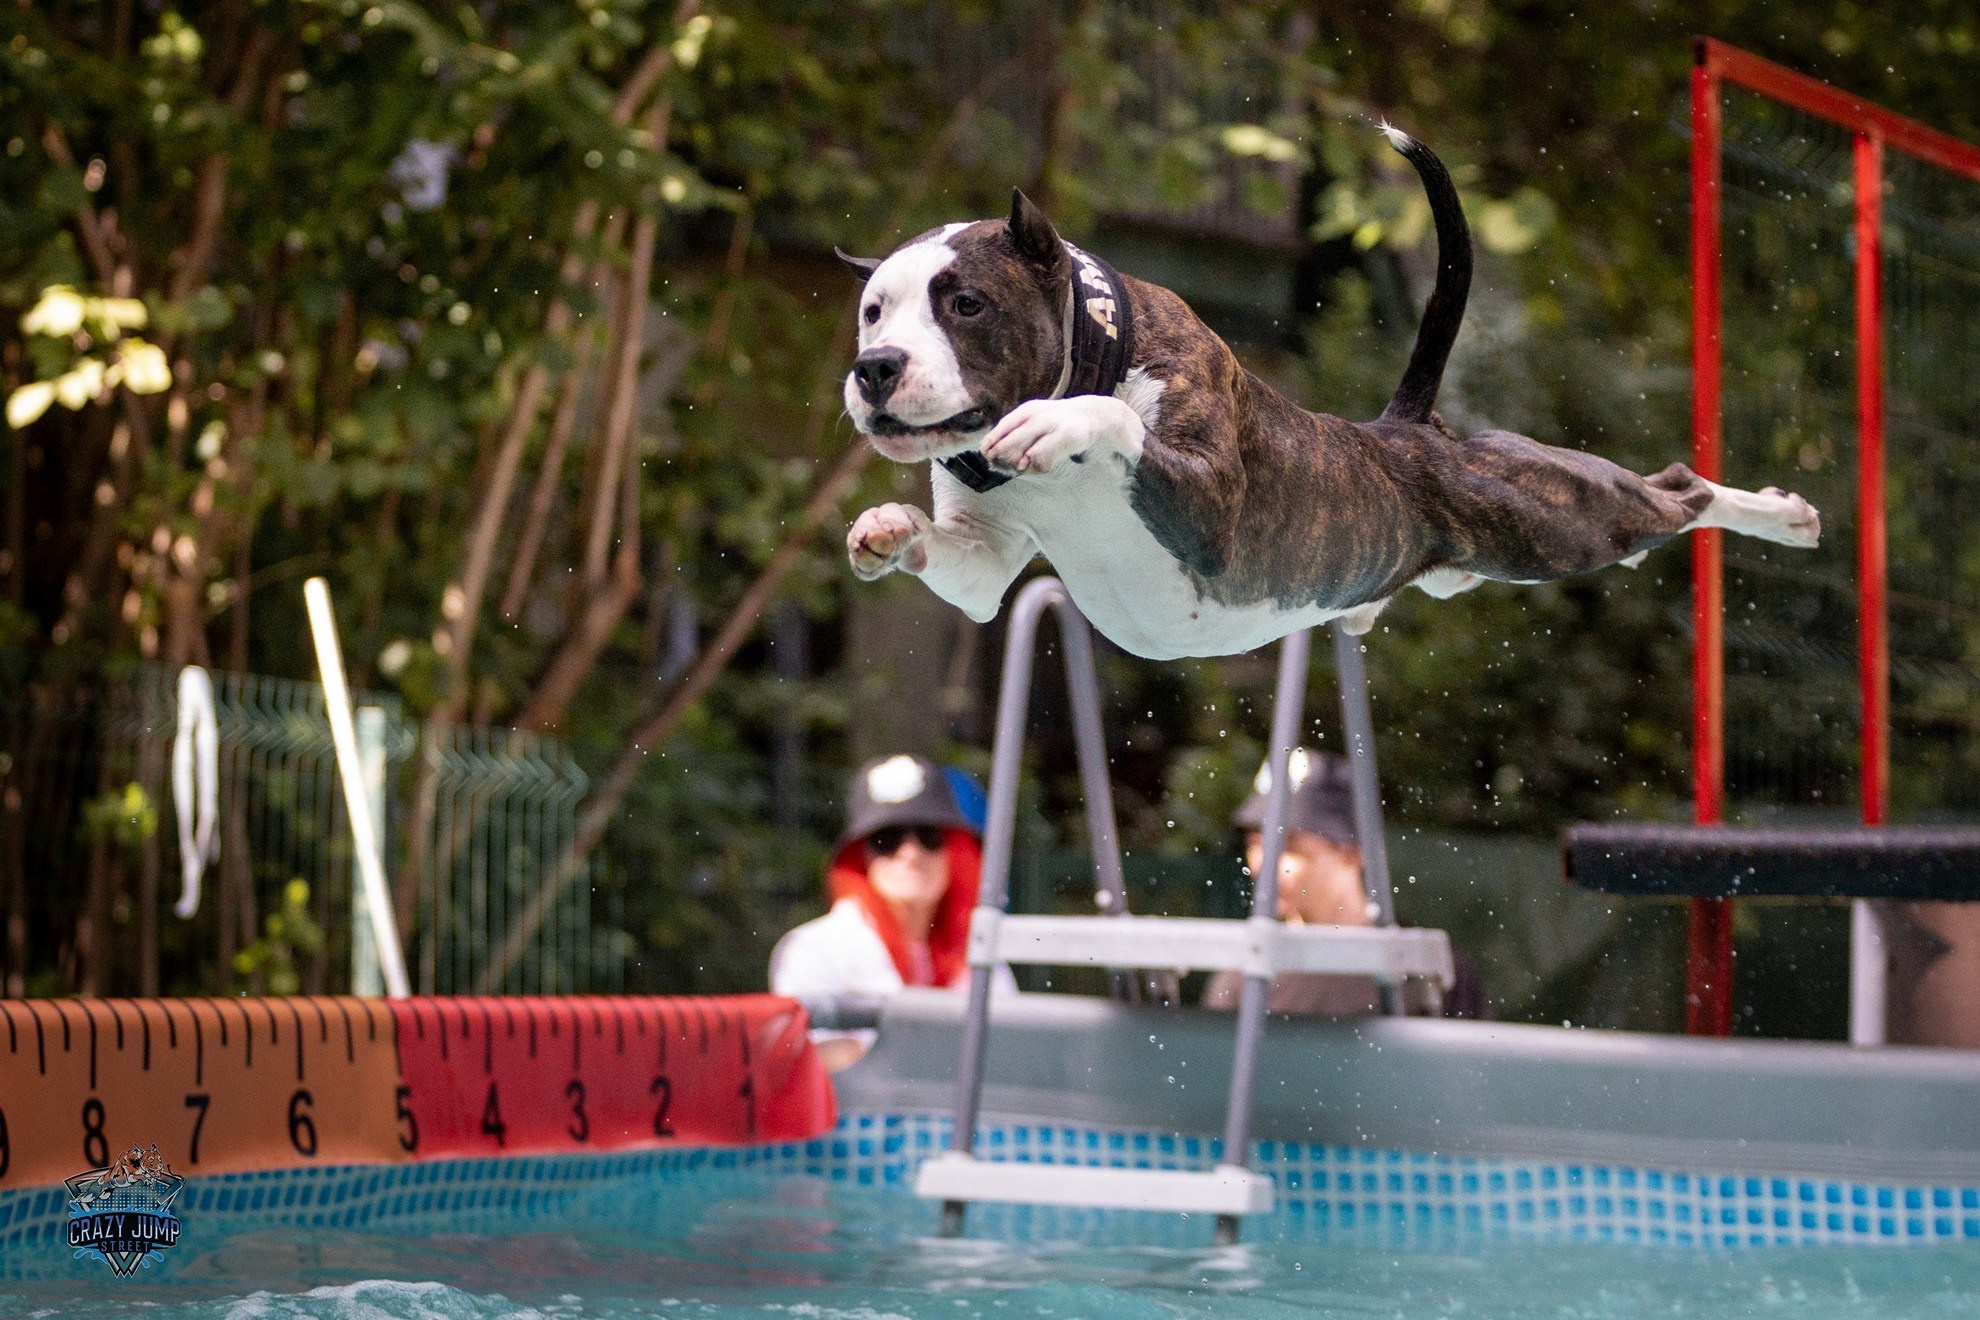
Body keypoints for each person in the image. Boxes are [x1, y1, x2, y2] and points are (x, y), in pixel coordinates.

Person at [1202, 747, 1486, 1019]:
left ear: (1352, 852)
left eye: (1287, 845)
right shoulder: (1243, 979)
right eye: (1255, 843)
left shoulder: (1426, 970)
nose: (1261, 863)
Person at [770, 753, 1011, 1069]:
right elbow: (818, 1069)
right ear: (861, 857)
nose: (910, 854)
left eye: (929, 836)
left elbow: (1011, 1059)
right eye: (887, 839)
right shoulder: (813, 951)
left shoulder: (979, 956)